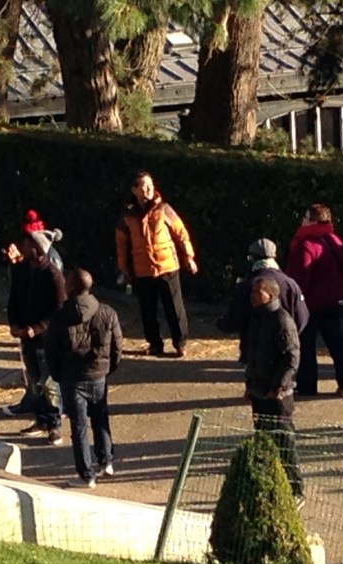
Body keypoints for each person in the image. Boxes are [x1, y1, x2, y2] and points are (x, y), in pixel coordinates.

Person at [45, 268, 122, 489]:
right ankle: (106, 461)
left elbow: (51, 351)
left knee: (78, 426)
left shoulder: (60, 317)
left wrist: (58, 375)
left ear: (69, 288)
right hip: (98, 374)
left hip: (72, 379)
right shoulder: (107, 312)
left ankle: (86, 475)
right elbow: (118, 346)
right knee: (100, 418)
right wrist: (108, 368)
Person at [116, 170, 198, 358]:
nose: (148, 189)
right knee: (147, 310)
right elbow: (121, 244)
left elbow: (181, 233)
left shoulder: (164, 209)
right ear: (134, 190)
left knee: (174, 307)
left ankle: (180, 343)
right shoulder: (127, 216)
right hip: (142, 269)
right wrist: (124, 269)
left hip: (167, 266)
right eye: (143, 186)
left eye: (150, 185)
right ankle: (155, 344)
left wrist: (189, 257)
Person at [2, 228, 66, 445]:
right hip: (26, 336)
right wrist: (14, 324)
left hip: (45, 340)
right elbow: (13, 298)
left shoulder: (53, 275)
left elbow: (59, 311)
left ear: (38, 249)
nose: (23, 247)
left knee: (49, 383)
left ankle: (54, 424)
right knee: (34, 382)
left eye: (28, 244)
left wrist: (37, 328)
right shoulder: (21, 271)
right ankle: (40, 420)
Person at [285, 204, 343, 396]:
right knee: (337, 340)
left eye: (306, 217)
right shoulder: (334, 240)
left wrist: (294, 301)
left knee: (306, 345)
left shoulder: (305, 244)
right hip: (332, 300)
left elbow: (300, 276)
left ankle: (307, 386)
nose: (303, 220)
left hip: (310, 303)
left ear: (313, 221)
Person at [244, 277, 303, 502]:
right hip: (259, 391)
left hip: (278, 396)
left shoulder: (281, 321)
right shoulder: (257, 319)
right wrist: (249, 385)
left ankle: (296, 490)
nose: (252, 297)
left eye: (257, 293)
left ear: (270, 295)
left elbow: (292, 357)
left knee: (285, 442)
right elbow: (253, 356)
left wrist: (278, 386)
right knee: (263, 440)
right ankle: (266, 484)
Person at [216, 238, 308, 364]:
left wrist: (221, 324)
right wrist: (291, 336)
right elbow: (302, 317)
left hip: (254, 352)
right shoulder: (290, 284)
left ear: (253, 259)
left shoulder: (246, 286)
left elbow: (235, 318)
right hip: (285, 350)